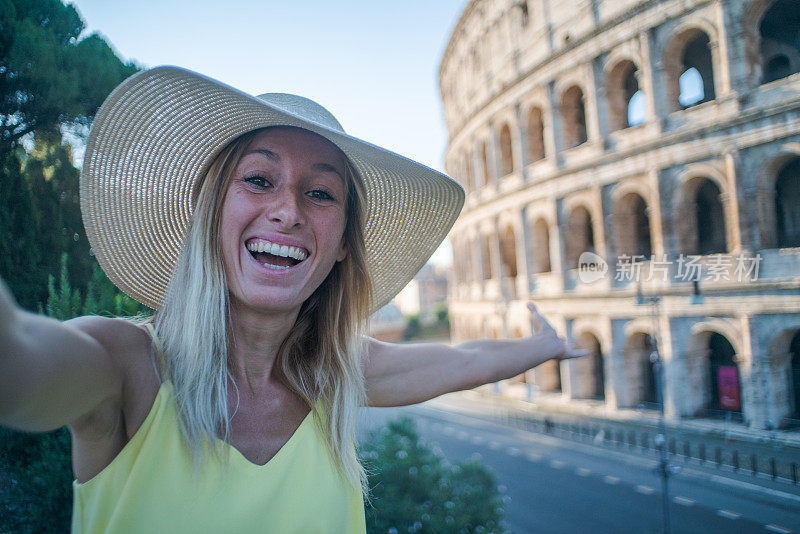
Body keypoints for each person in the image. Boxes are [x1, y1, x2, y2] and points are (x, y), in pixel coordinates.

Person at [0, 66, 589, 533]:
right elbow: (19, 355)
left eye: (321, 193)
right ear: (211, 217)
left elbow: (464, 363)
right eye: (259, 179)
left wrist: (542, 345)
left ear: (339, 247)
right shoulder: (123, 364)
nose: (288, 211)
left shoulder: (337, 374)